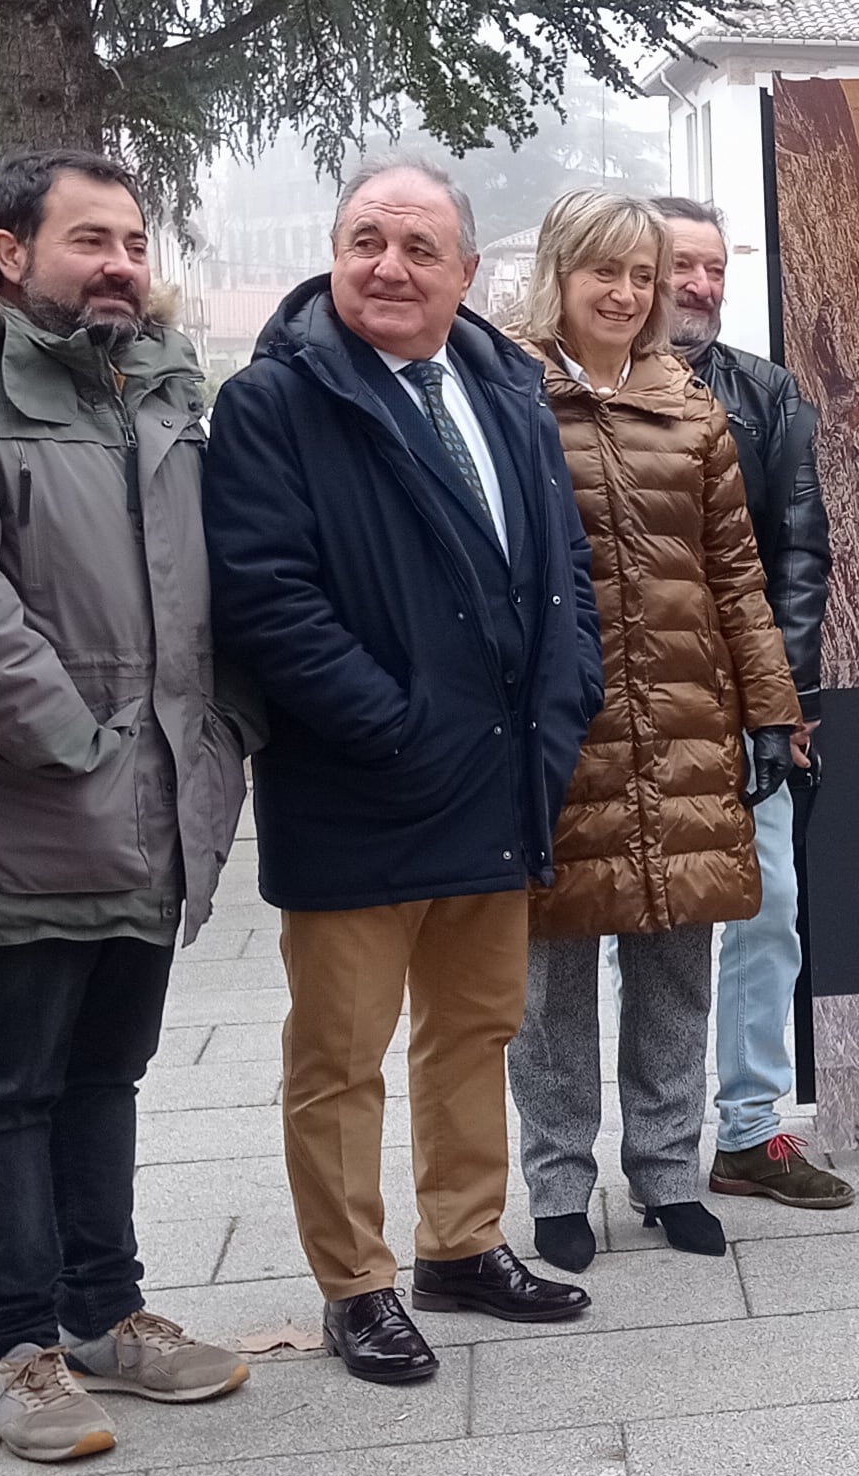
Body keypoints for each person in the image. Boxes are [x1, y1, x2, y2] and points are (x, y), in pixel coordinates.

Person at [0, 153, 259, 1463]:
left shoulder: (159, 388)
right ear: (7, 253)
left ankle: (105, 1311)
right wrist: (79, 747)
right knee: (6, 1082)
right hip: (29, 801)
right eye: (89, 239)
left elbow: (214, 581)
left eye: (135, 240)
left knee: (108, 1072)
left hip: (162, 796)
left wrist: (217, 738)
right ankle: (12, 1346)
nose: (119, 263)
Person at [205, 157, 606, 1383]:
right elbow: (266, 599)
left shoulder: (509, 395)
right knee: (340, 1053)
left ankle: (462, 1245)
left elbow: (564, 575)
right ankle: (357, 1284)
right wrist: (388, 724)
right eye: (367, 240)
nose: (390, 266)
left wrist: (563, 699)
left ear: (466, 274)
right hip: (359, 785)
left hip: (497, 779)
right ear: (334, 255)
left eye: (420, 248)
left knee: (474, 1027)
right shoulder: (277, 403)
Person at [506, 193, 806, 1267]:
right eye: (606, 273)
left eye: (641, 276)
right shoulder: (508, 397)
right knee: (553, 980)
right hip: (562, 736)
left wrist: (770, 711)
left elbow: (736, 574)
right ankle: (555, 1185)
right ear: (559, 272)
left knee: (678, 961)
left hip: (686, 720)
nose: (628, 295)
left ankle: (672, 1174)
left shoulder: (690, 406)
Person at [660, 196, 852, 1211]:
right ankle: (640, 1152)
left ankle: (748, 1129)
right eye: (679, 265)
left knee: (768, 906)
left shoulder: (765, 391)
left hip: (747, 701)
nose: (699, 285)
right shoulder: (554, 386)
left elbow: (801, 551)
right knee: (632, 937)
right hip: (621, 710)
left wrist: (794, 694)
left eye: (713, 268)